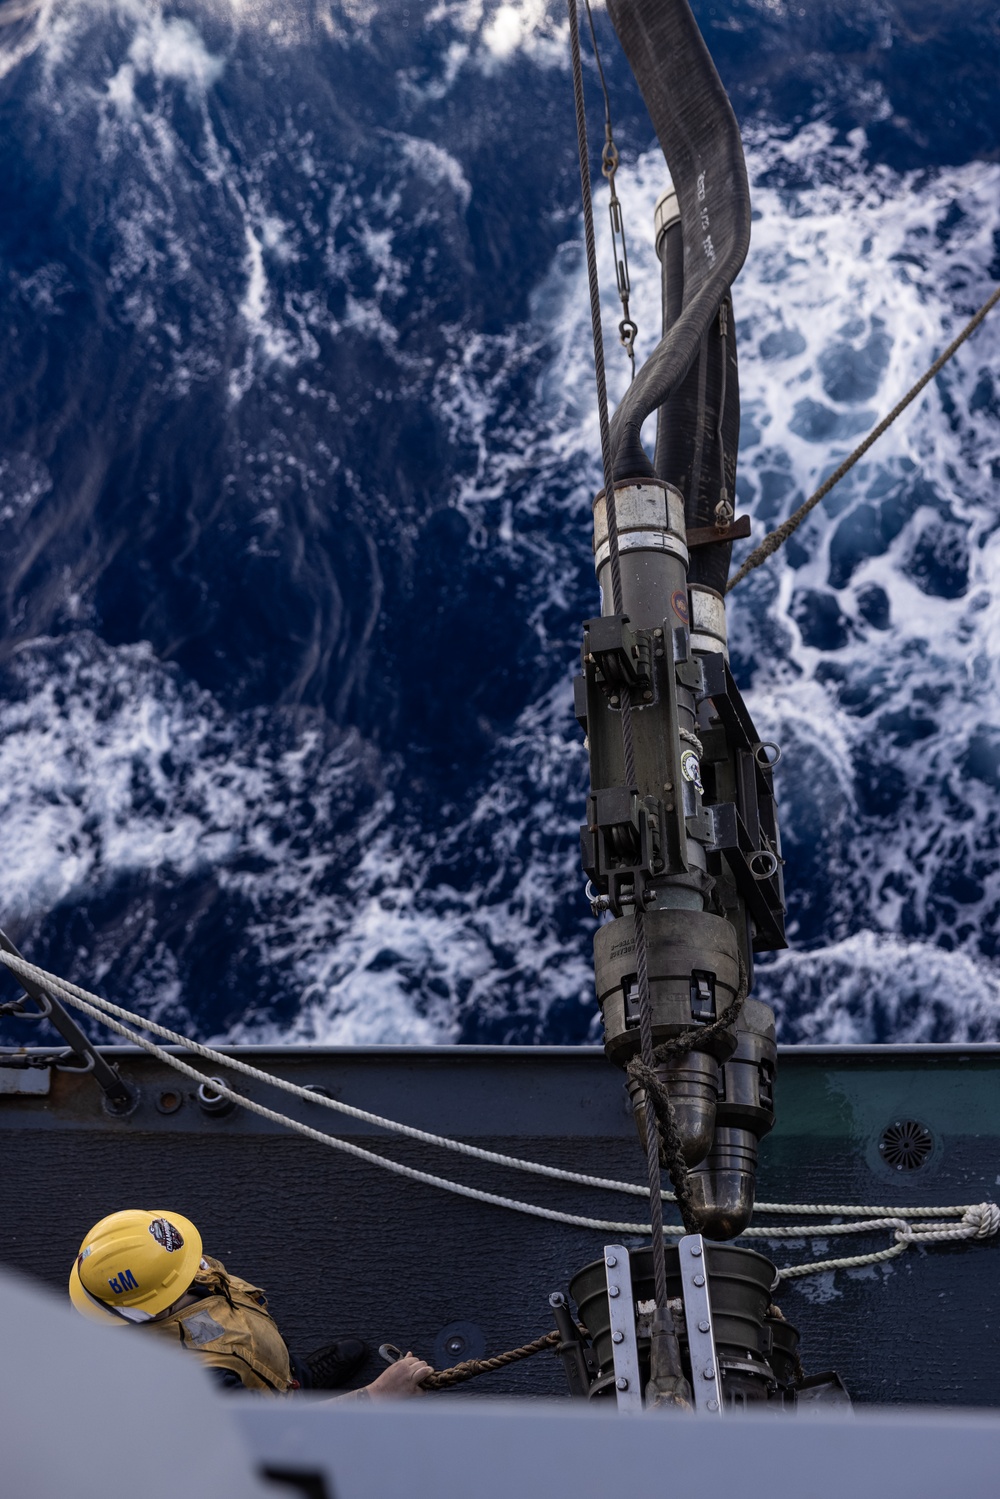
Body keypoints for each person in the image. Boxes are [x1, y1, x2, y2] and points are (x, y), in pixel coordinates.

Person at [68, 1208, 432, 1398]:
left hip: (264, 1362)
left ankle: (296, 1379)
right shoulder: (193, 1380)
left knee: (288, 1372)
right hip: (264, 1411)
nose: (197, 1264)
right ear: (154, 1303)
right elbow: (263, 1433)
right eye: (181, 1272)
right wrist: (376, 1395)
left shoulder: (173, 1270)